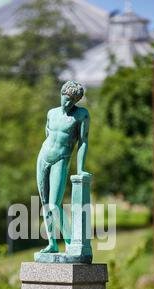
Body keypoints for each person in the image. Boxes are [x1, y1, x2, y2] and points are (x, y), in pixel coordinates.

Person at [37, 80, 90, 254]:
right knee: (45, 204)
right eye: (65, 98)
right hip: (43, 157)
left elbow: (82, 142)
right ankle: (52, 243)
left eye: (72, 101)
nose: (67, 103)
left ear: (76, 102)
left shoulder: (81, 115)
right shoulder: (51, 113)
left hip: (61, 159)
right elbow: (48, 135)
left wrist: (79, 168)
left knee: (54, 205)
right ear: (61, 94)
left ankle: (70, 242)